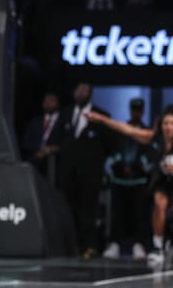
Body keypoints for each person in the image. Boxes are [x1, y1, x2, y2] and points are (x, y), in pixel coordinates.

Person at [87, 106, 173, 265]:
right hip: (163, 182)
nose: (168, 127)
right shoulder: (155, 138)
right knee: (160, 204)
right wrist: (101, 119)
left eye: (172, 123)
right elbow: (128, 130)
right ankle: (158, 247)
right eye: (165, 123)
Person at [58, 83, 110, 259]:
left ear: (90, 93)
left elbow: (109, 145)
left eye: (84, 90)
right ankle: (68, 246)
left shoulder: (101, 116)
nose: (80, 93)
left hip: (90, 174)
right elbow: (59, 141)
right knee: (67, 209)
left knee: (89, 211)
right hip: (67, 173)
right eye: (78, 89)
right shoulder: (65, 114)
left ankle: (89, 247)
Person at [101, 98, 151, 260]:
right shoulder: (121, 130)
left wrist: (141, 166)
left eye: (139, 109)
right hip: (120, 179)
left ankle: (139, 244)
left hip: (139, 181)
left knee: (140, 214)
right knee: (118, 214)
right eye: (134, 109)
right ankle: (115, 243)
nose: (136, 112)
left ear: (142, 111)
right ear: (130, 110)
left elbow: (150, 153)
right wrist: (118, 165)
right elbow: (114, 151)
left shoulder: (147, 132)